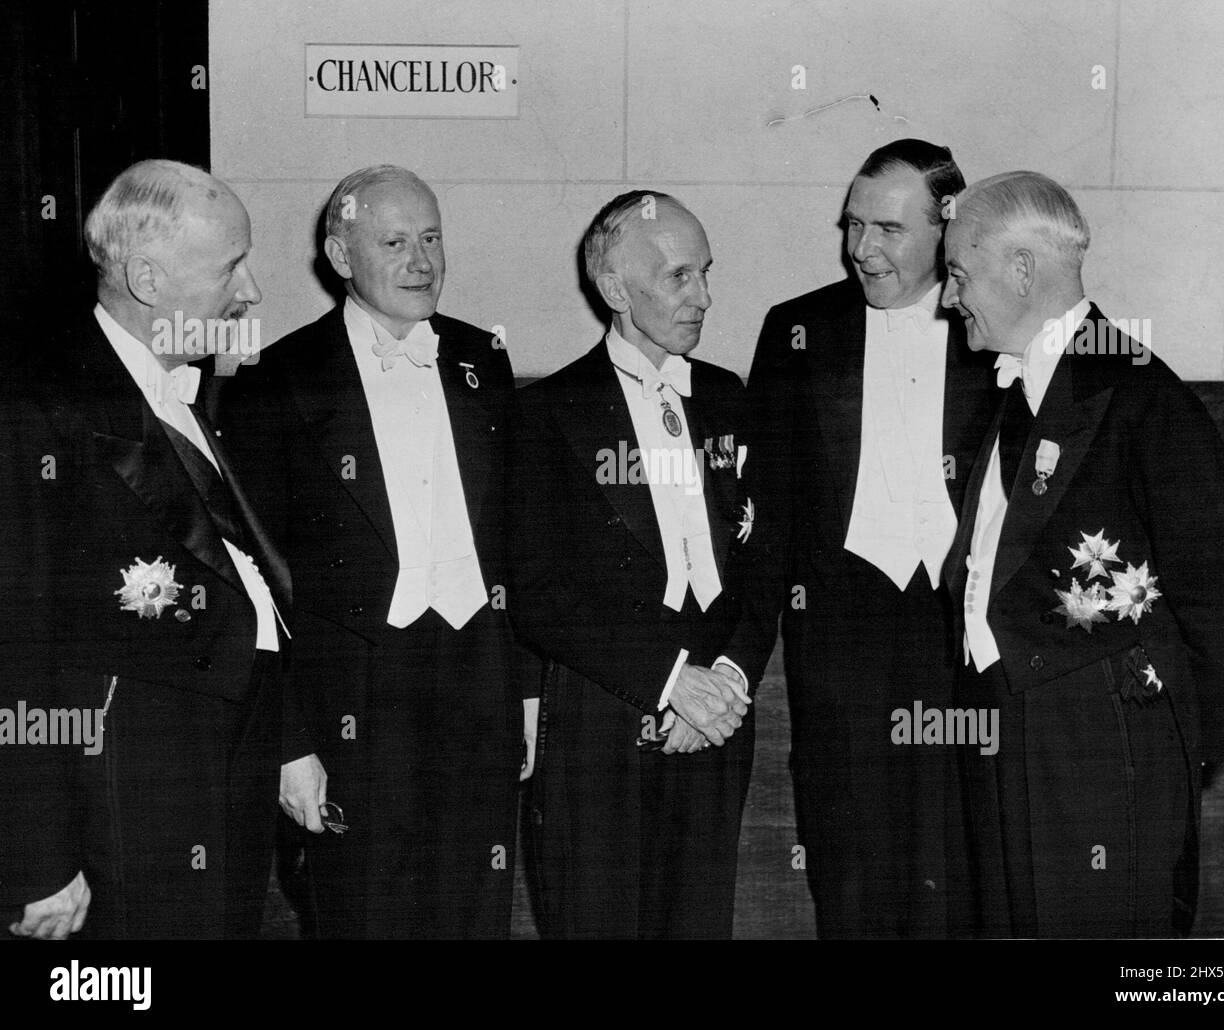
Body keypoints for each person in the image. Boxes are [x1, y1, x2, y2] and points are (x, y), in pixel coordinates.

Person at [940, 170, 1224, 937]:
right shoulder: (1003, 396)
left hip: (1102, 746)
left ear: (1022, 270)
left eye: (959, 273)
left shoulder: (1145, 399)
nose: (949, 298)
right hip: (1003, 733)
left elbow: (1223, 603)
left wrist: (1175, 748)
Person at [215, 164, 526, 939]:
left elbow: (515, 545)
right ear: (342, 256)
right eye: (394, 242)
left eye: (431, 238)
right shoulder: (277, 380)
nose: (421, 262)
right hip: (352, 704)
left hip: (478, 691)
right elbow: (251, 579)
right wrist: (290, 744)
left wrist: (527, 692)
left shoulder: (483, 359)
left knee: (474, 915)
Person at [0, 158, 297, 939]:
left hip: (225, 773)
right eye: (232, 264)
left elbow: (245, 583)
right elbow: (14, 651)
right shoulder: (38, 410)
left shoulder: (192, 389)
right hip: (124, 801)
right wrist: (36, 860)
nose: (253, 290)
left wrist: (290, 743)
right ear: (148, 280)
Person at [508, 190, 780, 939]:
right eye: (679, 277)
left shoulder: (729, 399)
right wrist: (669, 683)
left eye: (706, 274)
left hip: (718, 723)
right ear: (617, 289)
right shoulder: (546, 414)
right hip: (601, 718)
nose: (705, 297)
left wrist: (725, 681)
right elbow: (533, 592)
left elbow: (765, 562)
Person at [745, 140, 996, 937]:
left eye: (887, 228)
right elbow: (765, 516)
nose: (862, 249)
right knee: (849, 872)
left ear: (946, 225)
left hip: (962, 644)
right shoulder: (797, 331)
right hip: (840, 648)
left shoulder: (992, 329)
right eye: (853, 226)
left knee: (963, 866)